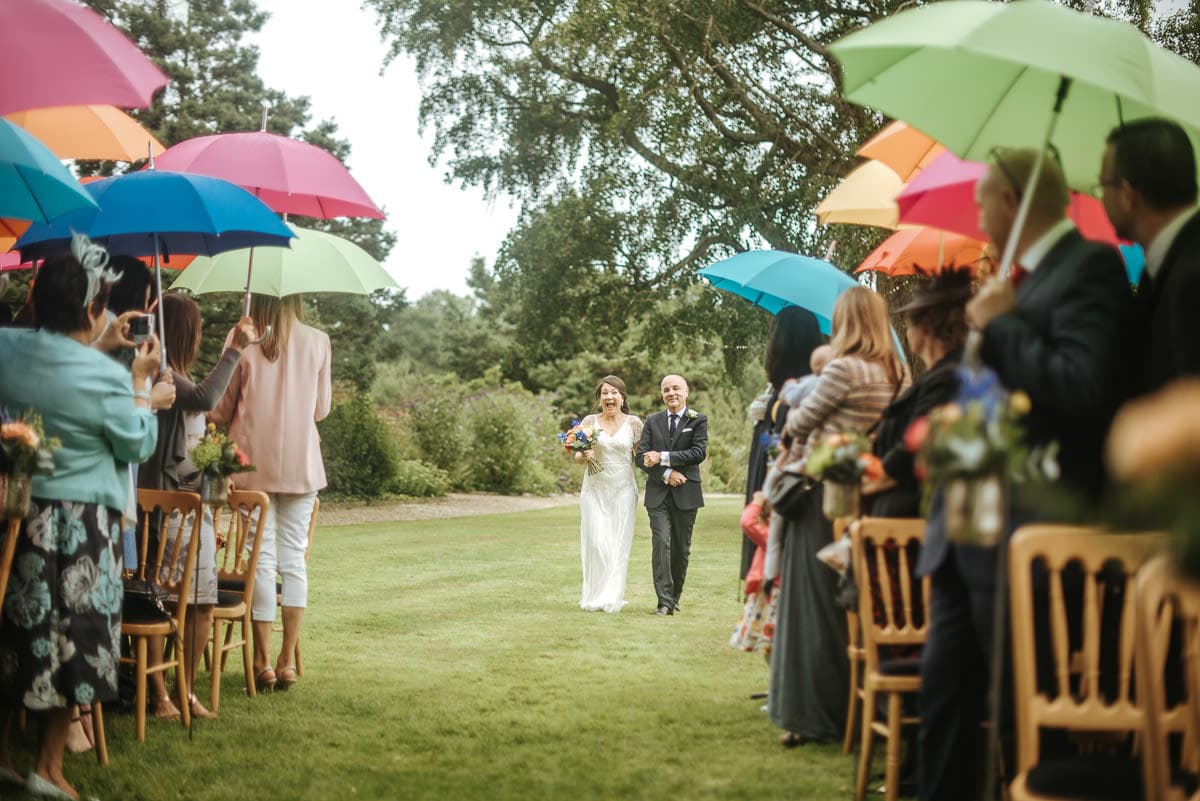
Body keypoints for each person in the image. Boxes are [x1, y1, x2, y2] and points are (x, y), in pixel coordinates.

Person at [917, 149, 1131, 801]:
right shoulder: (1016, 281)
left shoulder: (1089, 266)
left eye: (983, 199)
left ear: (1011, 200)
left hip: (1025, 529)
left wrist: (1003, 324)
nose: (978, 213)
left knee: (1022, 713)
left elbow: (1083, 384)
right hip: (967, 524)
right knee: (944, 704)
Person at [0, 238, 160, 801]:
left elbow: (52, 360)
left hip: (18, 517)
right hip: (83, 523)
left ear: (38, 299)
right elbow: (135, 443)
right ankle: (48, 768)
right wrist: (139, 384)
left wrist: (98, 345)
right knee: (77, 639)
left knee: (16, 636)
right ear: (95, 308)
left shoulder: (8, 349)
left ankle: (3, 758)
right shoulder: (107, 377)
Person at [769, 285, 907, 747]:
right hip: (869, 494)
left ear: (845, 323)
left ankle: (815, 716)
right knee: (856, 607)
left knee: (813, 608)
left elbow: (797, 423)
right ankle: (860, 709)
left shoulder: (843, 369)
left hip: (823, 494)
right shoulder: (899, 372)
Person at [139, 292, 257, 720]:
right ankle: (158, 695)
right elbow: (207, 398)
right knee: (162, 600)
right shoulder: (163, 377)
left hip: (196, 504)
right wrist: (235, 349)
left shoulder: (174, 375)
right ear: (185, 332)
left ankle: (185, 691)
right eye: (198, 329)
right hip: (170, 507)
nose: (200, 336)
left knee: (203, 601)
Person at [209, 294, 330, 693]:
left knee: (260, 559)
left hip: (250, 464)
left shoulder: (242, 340)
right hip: (301, 465)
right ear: (297, 299)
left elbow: (220, 408)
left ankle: (261, 661)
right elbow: (321, 409)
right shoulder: (318, 341)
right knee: (294, 560)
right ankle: (286, 660)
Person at [1097, 118, 1200, 394]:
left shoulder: (1192, 276)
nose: (1101, 198)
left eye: (1102, 185)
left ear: (1127, 194)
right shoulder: (1163, 263)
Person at [865, 269, 972, 517]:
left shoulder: (947, 376)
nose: (906, 331)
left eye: (909, 323)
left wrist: (872, 480)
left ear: (925, 327)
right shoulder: (937, 374)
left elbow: (914, 446)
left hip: (908, 514)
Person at [741, 308, 824, 579]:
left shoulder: (795, 392)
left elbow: (781, 444)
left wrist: (764, 433)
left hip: (783, 489)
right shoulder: (809, 387)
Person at [636, 374, 708, 616]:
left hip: (687, 493)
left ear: (686, 391)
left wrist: (662, 457)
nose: (671, 393)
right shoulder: (652, 420)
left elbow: (698, 453)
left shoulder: (698, 420)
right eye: (666, 390)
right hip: (658, 495)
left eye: (676, 388)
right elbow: (641, 457)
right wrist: (666, 474)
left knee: (680, 549)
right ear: (662, 395)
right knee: (661, 543)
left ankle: (674, 597)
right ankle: (664, 602)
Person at [575, 376, 643, 613]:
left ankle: (611, 596)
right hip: (594, 489)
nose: (609, 397)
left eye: (614, 393)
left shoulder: (634, 423)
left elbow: (641, 457)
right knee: (596, 541)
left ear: (622, 397)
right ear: (599, 398)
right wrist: (583, 456)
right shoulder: (589, 421)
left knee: (619, 544)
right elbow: (577, 454)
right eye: (605, 393)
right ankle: (594, 594)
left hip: (624, 490)